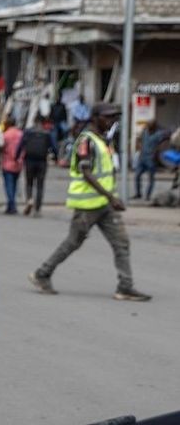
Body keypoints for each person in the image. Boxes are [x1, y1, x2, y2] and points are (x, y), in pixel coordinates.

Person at [29, 103, 151, 301]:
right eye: (107, 117)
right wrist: (112, 197)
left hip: (104, 204)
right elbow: (86, 172)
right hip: (88, 205)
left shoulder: (102, 140)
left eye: (113, 118)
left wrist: (109, 198)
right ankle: (42, 274)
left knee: (121, 243)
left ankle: (125, 286)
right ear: (95, 118)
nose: (111, 121)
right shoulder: (87, 140)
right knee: (73, 242)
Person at [19, 117, 60, 216]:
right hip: (42, 161)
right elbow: (54, 147)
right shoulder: (47, 134)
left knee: (29, 182)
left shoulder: (28, 132)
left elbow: (21, 145)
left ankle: (29, 199)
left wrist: (17, 156)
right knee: (40, 185)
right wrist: (56, 157)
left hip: (29, 160)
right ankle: (37, 208)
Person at [134, 120, 165, 200]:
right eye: (148, 125)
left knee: (151, 178)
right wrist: (139, 148)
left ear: (154, 126)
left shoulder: (158, 134)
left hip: (151, 159)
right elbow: (139, 139)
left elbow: (161, 144)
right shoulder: (145, 131)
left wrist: (156, 153)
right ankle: (138, 194)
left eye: (151, 125)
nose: (149, 127)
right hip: (142, 157)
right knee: (137, 175)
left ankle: (148, 195)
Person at [1, 116, 23, 214]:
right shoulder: (21, 134)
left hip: (7, 162)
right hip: (18, 163)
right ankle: (11, 205)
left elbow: (1, 147)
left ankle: (11, 204)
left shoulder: (6, 135)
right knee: (14, 184)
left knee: (9, 185)